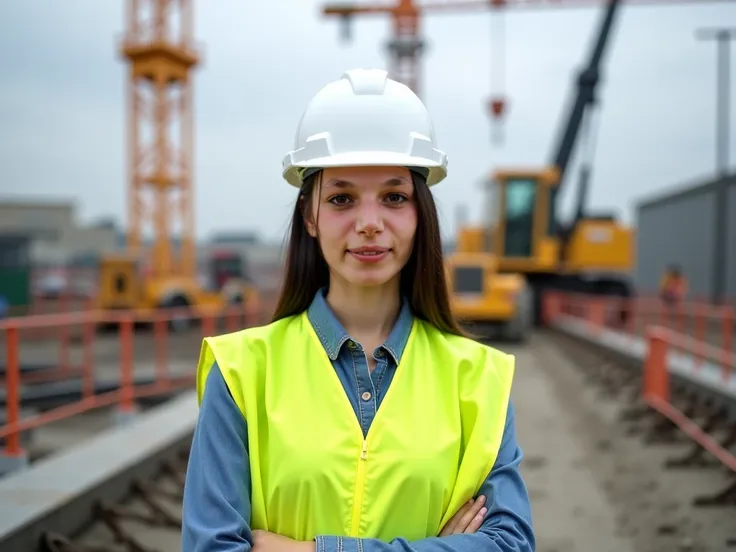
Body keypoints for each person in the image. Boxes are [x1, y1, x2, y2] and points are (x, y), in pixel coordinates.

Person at [181, 69, 535, 552]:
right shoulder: (242, 373)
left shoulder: (477, 379)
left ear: (420, 214)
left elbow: (510, 545)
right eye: (342, 198)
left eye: (393, 197)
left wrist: (310, 551)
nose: (369, 224)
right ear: (310, 215)